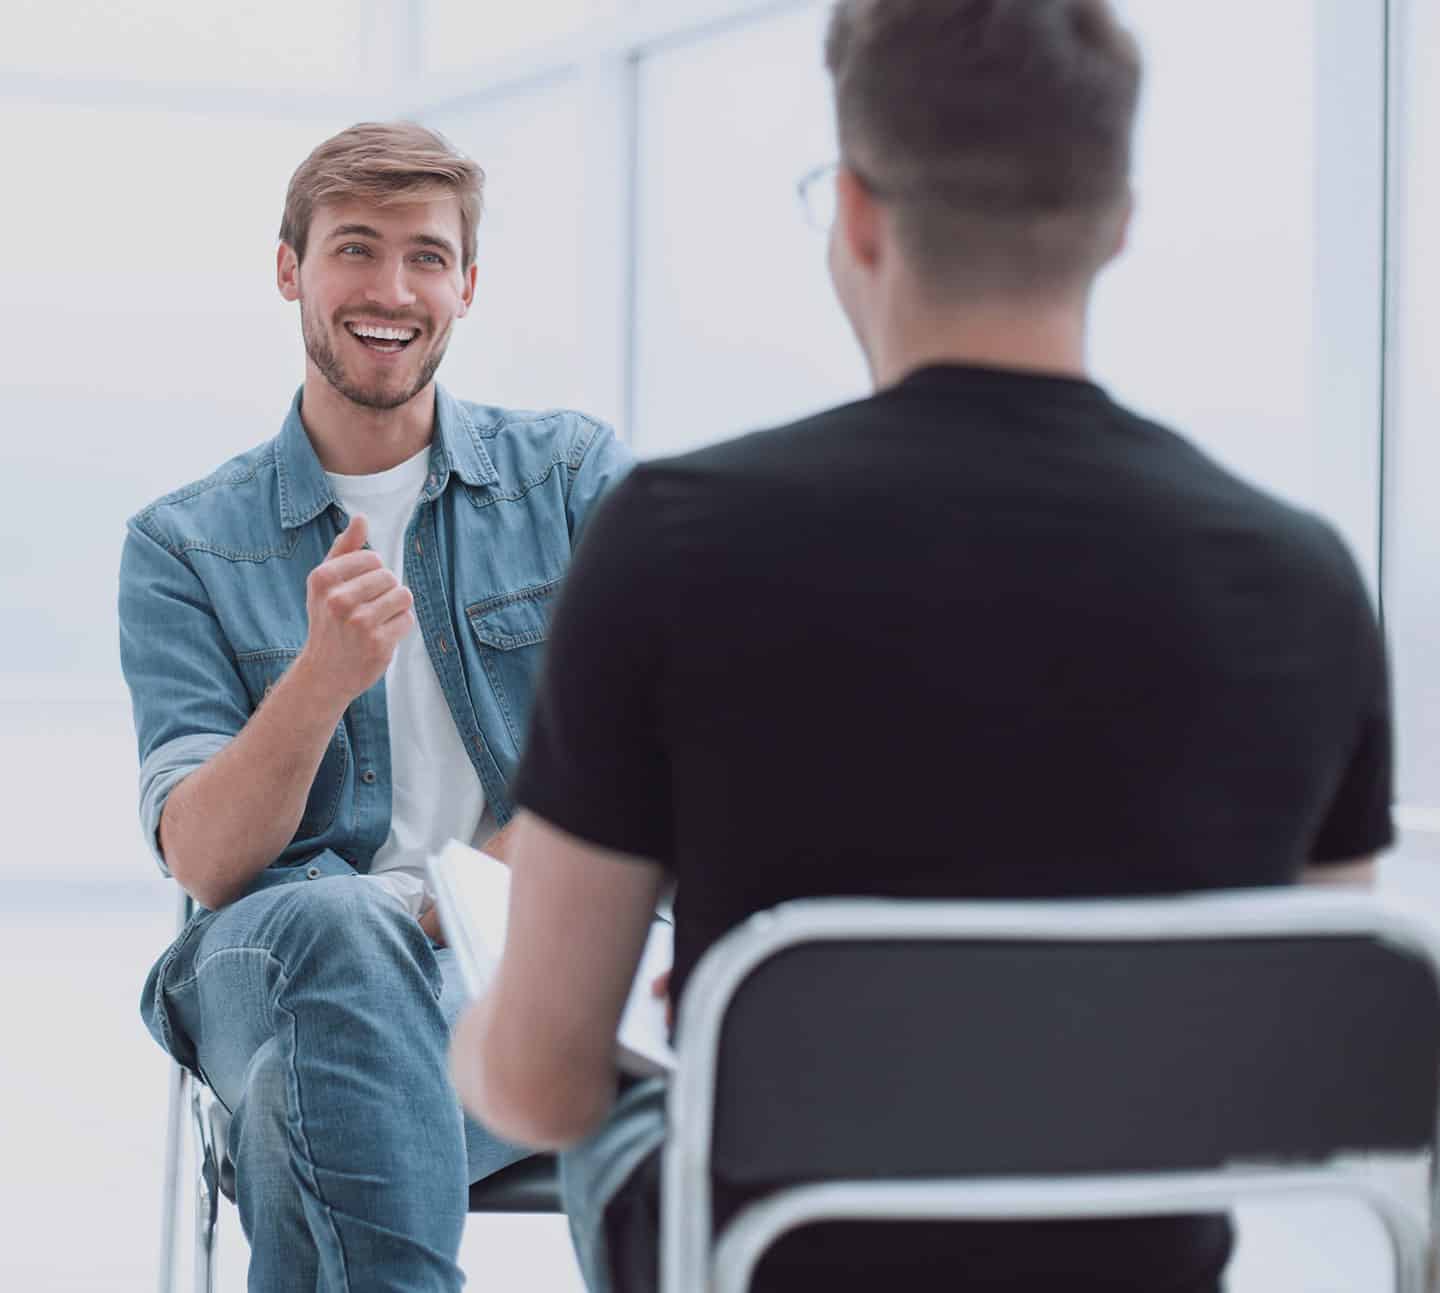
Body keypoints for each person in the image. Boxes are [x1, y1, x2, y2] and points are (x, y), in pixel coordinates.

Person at [449, 2, 1392, 1289]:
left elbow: (541, 1087)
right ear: (1114, 222)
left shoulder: (676, 540)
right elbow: (1308, 1069)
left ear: (855, 215)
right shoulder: (1303, 577)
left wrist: (754, 1042)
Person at [117, 121, 633, 1293]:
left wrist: (454, 901)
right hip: (281, 957)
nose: (391, 291)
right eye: (355, 249)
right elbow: (202, 857)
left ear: (466, 285)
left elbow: (657, 758)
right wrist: (317, 682)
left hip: (534, 960)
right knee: (342, 933)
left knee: (303, 1121)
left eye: (426, 257)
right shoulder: (185, 545)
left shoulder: (570, 480)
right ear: (290, 267)